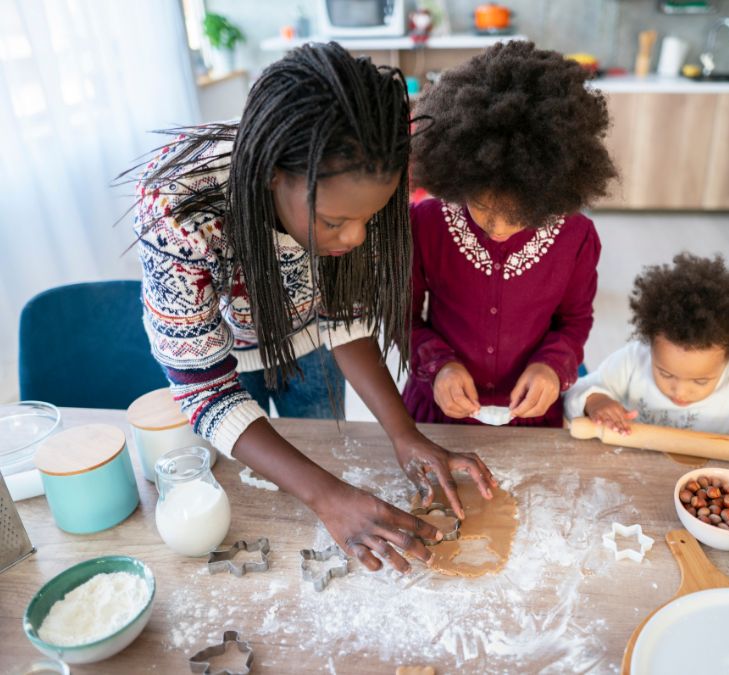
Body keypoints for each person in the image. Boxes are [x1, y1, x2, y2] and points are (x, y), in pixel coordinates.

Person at [131, 43, 495, 572]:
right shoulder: (177, 205)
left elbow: (344, 318)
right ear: (271, 177)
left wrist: (403, 434)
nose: (356, 235)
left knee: (323, 442)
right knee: (252, 490)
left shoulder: (355, 180)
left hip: (312, 342)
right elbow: (204, 389)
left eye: (369, 217)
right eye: (333, 223)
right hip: (223, 356)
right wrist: (327, 498)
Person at [401, 41, 616, 428]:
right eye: (481, 206)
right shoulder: (425, 224)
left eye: (518, 216)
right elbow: (404, 318)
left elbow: (575, 321)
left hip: (531, 412)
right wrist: (439, 365)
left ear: (552, 193)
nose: (497, 229)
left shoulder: (577, 236)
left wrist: (551, 367)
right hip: (439, 407)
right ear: (457, 179)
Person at [565, 253, 729, 453]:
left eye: (700, 381)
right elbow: (579, 390)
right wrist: (597, 402)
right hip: (635, 463)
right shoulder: (634, 360)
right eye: (665, 373)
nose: (679, 392)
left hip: (713, 474)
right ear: (650, 344)